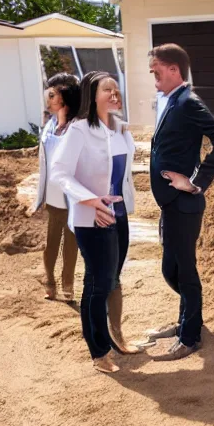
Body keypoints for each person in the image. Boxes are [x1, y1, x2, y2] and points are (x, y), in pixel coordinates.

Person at [146, 43, 214, 361]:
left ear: (174, 69)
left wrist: (195, 183)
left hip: (184, 204)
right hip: (170, 204)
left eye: (155, 67)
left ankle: (190, 336)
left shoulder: (188, 102)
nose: (151, 72)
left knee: (183, 271)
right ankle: (188, 319)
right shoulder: (170, 101)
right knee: (171, 269)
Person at [51, 71, 140, 373]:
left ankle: (117, 337)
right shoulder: (78, 130)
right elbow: (60, 173)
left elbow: (125, 172)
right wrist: (90, 200)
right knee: (97, 283)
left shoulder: (120, 128)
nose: (115, 94)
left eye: (117, 89)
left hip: (120, 213)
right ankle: (99, 351)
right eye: (107, 90)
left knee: (113, 279)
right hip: (93, 217)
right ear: (92, 95)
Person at [33, 73, 80, 302]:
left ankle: (68, 284)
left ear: (65, 96)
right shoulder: (50, 125)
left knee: (72, 243)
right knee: (51, 243)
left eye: (53, 94)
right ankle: (50, 281)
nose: (48, 98)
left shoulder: (79, 125)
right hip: (53, 195)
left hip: (74, 194)